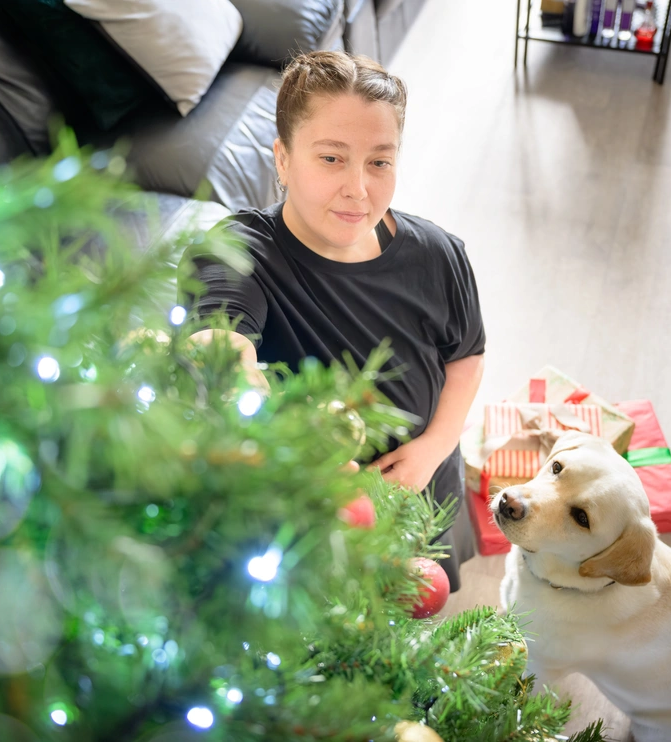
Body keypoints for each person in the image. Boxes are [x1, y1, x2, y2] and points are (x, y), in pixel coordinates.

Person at [191, 51, 485, 593]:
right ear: (281, 159)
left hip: (426, 481)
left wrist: (432, 449)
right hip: (314, 519)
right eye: (331, 158)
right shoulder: (241, 250)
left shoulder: (441, 255)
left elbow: (465, 357)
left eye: (379, 161)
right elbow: (221, 338)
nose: (359, 188)